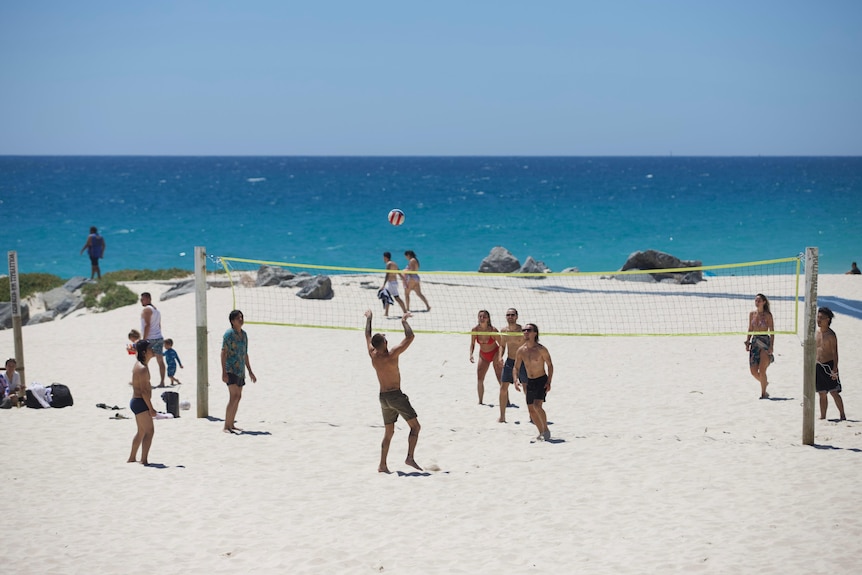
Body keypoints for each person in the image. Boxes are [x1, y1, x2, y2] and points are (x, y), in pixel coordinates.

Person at [364, 309, 422, 473]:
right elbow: (410, 337)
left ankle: (382, 465)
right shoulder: (391, 354)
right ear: (384, 344)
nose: (387, 339)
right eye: (385, 338)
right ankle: (409, 457)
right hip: (396, 396)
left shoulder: (372, 354)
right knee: (415, 427)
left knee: (389, 431)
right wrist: (404, 322)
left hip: (383, 398)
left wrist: (369, 318)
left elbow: (367, 336)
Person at [514, 323, 554, 441]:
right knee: (531, 409)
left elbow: (550, 365)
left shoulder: (541, 349)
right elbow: (516, 367)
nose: (526, 332)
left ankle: (546, 429)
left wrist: (549, 381)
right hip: (529, 381)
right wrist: (515, 380)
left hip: (541, 380)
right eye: (524, 330)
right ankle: (541, 431)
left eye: (529, 330)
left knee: (537, 406)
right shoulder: (521, 350)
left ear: (535, 333)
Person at [221, 309, 257, 434]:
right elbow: (223, 352)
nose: (241, 320)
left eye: (241, 317)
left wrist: (250, 371)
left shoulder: (244, 335)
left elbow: (245, 354)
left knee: (238, 396)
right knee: (233, 396)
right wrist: (224, 372)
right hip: (231, 368)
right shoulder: (228, 334)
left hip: (240, 369)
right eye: (238, 318)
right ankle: (226, 426)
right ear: (232, 321)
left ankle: (232, 424)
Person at [128, 340, 157, 465]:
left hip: (136, 401)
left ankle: (132, 458)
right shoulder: (143, 369)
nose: (153, 350)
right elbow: (144, 391)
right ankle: (143, 460)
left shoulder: (138, 365)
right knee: (149, 431)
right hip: (140, 402)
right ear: (145, 352)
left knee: (141, 431)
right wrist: (151, 408)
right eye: (150, 348)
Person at [816, 306, 846, 420]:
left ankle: (842, 415)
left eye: (821, 318)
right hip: (818, 365)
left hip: (829, 365)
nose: (819, 320)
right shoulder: (816, 332)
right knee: (821, 393)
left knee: (834, 392)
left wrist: (835, 368)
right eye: (818, 318)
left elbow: (835, 353)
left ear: (827, 319)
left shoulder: (831, 335)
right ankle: (823, 416)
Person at [498, 307, 527, 423]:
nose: (510, 317)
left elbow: (529, 346)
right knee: (503, 388)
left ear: (517, 316)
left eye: (512, 315)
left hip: (523, 363)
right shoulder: (504, 331)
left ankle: (532, 415)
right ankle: (502, 416)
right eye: (508, 315)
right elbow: (502, 345)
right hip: (510, 361)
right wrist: (500, 356)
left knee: (526, 388)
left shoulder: (523, 330)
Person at [469, 310, 502, 406]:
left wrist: (500, 357)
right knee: (479, 378)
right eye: (480, 316)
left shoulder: (493, 330)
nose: (482, 318)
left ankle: (506, 400)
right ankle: (480, 401)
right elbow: (472, 344)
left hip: (495, 353)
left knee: (499, 377)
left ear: (488, 319)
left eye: (484, 317)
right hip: (483, 354)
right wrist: (471, 354)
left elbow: (501, 345)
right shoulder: (475, 330)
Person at [745, 293, 774, 399]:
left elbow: (772, 331)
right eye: (756, 301)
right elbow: (750, 329)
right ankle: (764, 383)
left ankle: (763, 393)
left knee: (762, 370)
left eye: (759, 301)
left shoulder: (767, 315)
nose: (757, 302)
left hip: (764, 342)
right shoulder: (752, 314)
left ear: (764, 302)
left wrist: (771, 346)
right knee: (753, 371)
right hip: (755, 341)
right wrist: (747, 341)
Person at [140, 292, 166, 387]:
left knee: (144, 361)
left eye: (142, 299)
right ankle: (162, 382)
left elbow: (147, 325)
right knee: (160, 361)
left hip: (150, 339)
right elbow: (159, 325)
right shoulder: (156, 310)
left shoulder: (147, 310)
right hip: (158, 337)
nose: (141, 301)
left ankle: (147, 381)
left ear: (148, 299)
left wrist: (144, 340)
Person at [379, 252, 408, 317]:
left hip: (390, 283)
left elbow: (387, 274)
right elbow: (399, 273)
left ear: (385, 257)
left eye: (383, 257)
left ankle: (387, 313)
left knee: (388, 297)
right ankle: (404, 311)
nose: (383, 259)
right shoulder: (394, 263)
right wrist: (404, 280)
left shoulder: (388, 264)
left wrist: (383, 284)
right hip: (394, 283)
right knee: (396, 297)